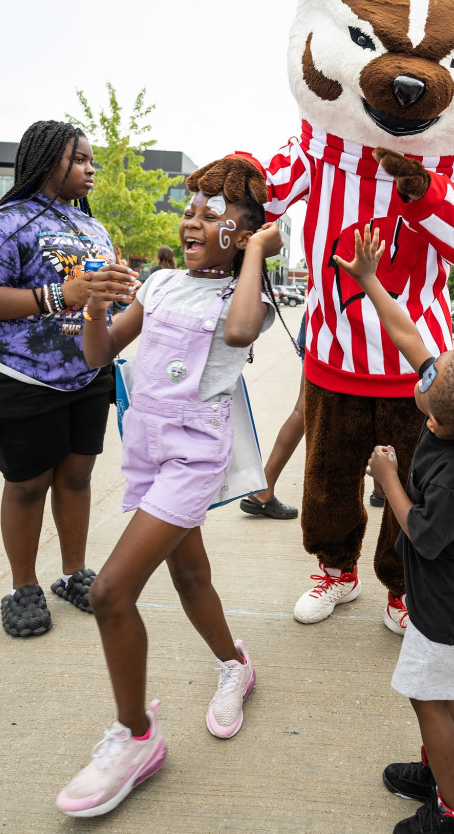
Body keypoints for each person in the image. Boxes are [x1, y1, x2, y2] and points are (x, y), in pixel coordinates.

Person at [56, 161, 282, 817]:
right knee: (190, 575)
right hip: (148, 446)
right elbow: (99, 356)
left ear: (241, 237)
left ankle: (137, 738)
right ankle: (235, 663)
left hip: (193, 453)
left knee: (109, 591)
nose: (193, 221)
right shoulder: (158, 284)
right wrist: (97, 306)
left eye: (214, 217)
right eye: (192, 213)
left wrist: (259, 251)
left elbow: (239, 334)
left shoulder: (246, 298)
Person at [335, 225, 454, 834]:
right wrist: (368, 281)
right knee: (437, 690)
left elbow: (425, 535)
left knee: (429, 696)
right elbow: (410, 334)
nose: (423, 370)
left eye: (428, 379)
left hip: (447, 603)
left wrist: (387, 478)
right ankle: (437, 767)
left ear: (433, 416)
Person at [0, 120, 116, 638]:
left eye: (92, 161)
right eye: (82, 160)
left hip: (87, 374)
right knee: (27, 485)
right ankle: (24, 586)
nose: (92, 169)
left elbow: (100, 294)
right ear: (50, 163)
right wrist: (57, 296)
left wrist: (117, 291)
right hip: (26, 377)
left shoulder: (93, 226)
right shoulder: (8, 222)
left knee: (77, 477)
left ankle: (71, 573)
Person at [239, 314, 305, 519]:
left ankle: (381, 489)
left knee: (306, 409)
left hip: (325, 320)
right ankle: (263, 489)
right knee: (307, 408)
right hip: (341, 322)